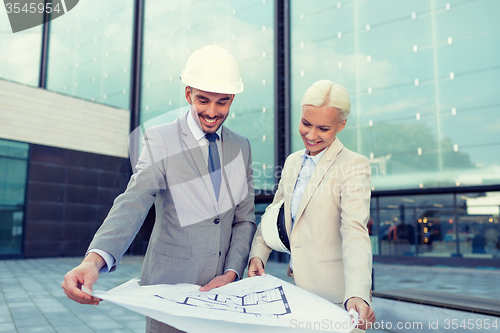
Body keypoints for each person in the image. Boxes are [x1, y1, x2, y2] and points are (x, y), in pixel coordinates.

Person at [61, 45, 256, 333]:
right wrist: (93, 261)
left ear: (233, 99)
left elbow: (244, 218)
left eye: (223, 102)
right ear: (188, 93)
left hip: (224, 293)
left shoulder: (242, 146)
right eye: (203, 100)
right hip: (169, 288)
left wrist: (231, 272)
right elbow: (134, 200)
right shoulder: (161, 138)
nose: (212, 112)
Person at [248, 80, 375, 331]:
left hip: (338, 300)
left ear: (341, 125)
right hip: (298, 295)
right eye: (306, 123)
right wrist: (257, 255)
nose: (311, 134)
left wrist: (358, 293)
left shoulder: (353, 165)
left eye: (323, 128)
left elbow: (355, 232)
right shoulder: (293, 161)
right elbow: (274, 214)